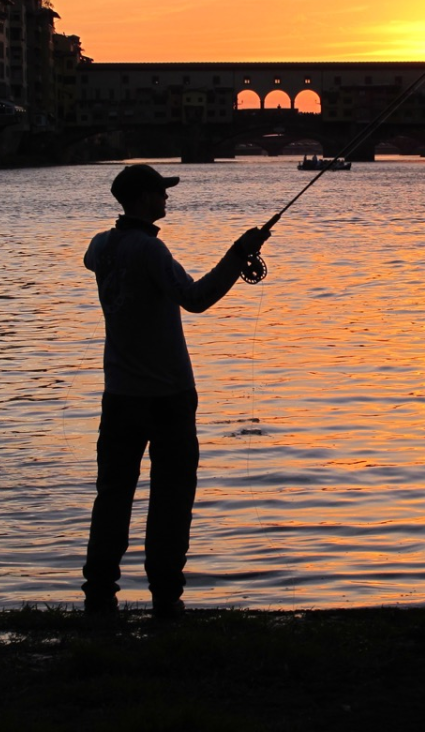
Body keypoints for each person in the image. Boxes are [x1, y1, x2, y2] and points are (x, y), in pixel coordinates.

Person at [81, 163, 270, 618]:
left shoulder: (100, 247)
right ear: (144, 198)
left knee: (113, 495)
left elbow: (95, 260)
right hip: (167, 396)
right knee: (171, 499)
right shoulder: (150, 250)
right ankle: (166, 596)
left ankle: (99, 595)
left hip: (119, 395)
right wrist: (237, 254)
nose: (167, 199)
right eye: (161, 192)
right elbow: (197, 298)